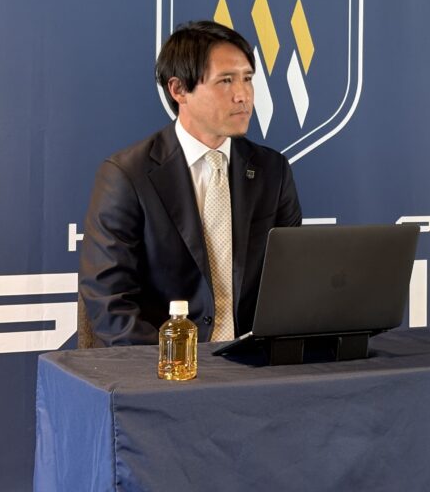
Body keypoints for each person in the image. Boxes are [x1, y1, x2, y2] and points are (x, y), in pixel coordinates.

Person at [79, 21, 302, 346]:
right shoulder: (127, 175)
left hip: (253, 361)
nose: (243, 95)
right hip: (163, 364)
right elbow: (110, 304)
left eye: (247, 79)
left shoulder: (272, 170)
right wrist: (180, 361)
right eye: (226, 80)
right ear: (179, 89)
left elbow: (291, 280)